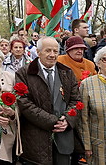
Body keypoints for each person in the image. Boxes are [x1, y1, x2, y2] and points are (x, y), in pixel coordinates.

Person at [16, 36, 80, 164]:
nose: (52, 55)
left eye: (55, 51)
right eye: (48, 51)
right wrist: (53, 121)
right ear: (38, 52)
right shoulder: (24, 73)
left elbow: (76, 101)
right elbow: (24, 103)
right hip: (36, 139)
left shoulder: (67, 72)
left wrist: (68, 120)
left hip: (63, 138)